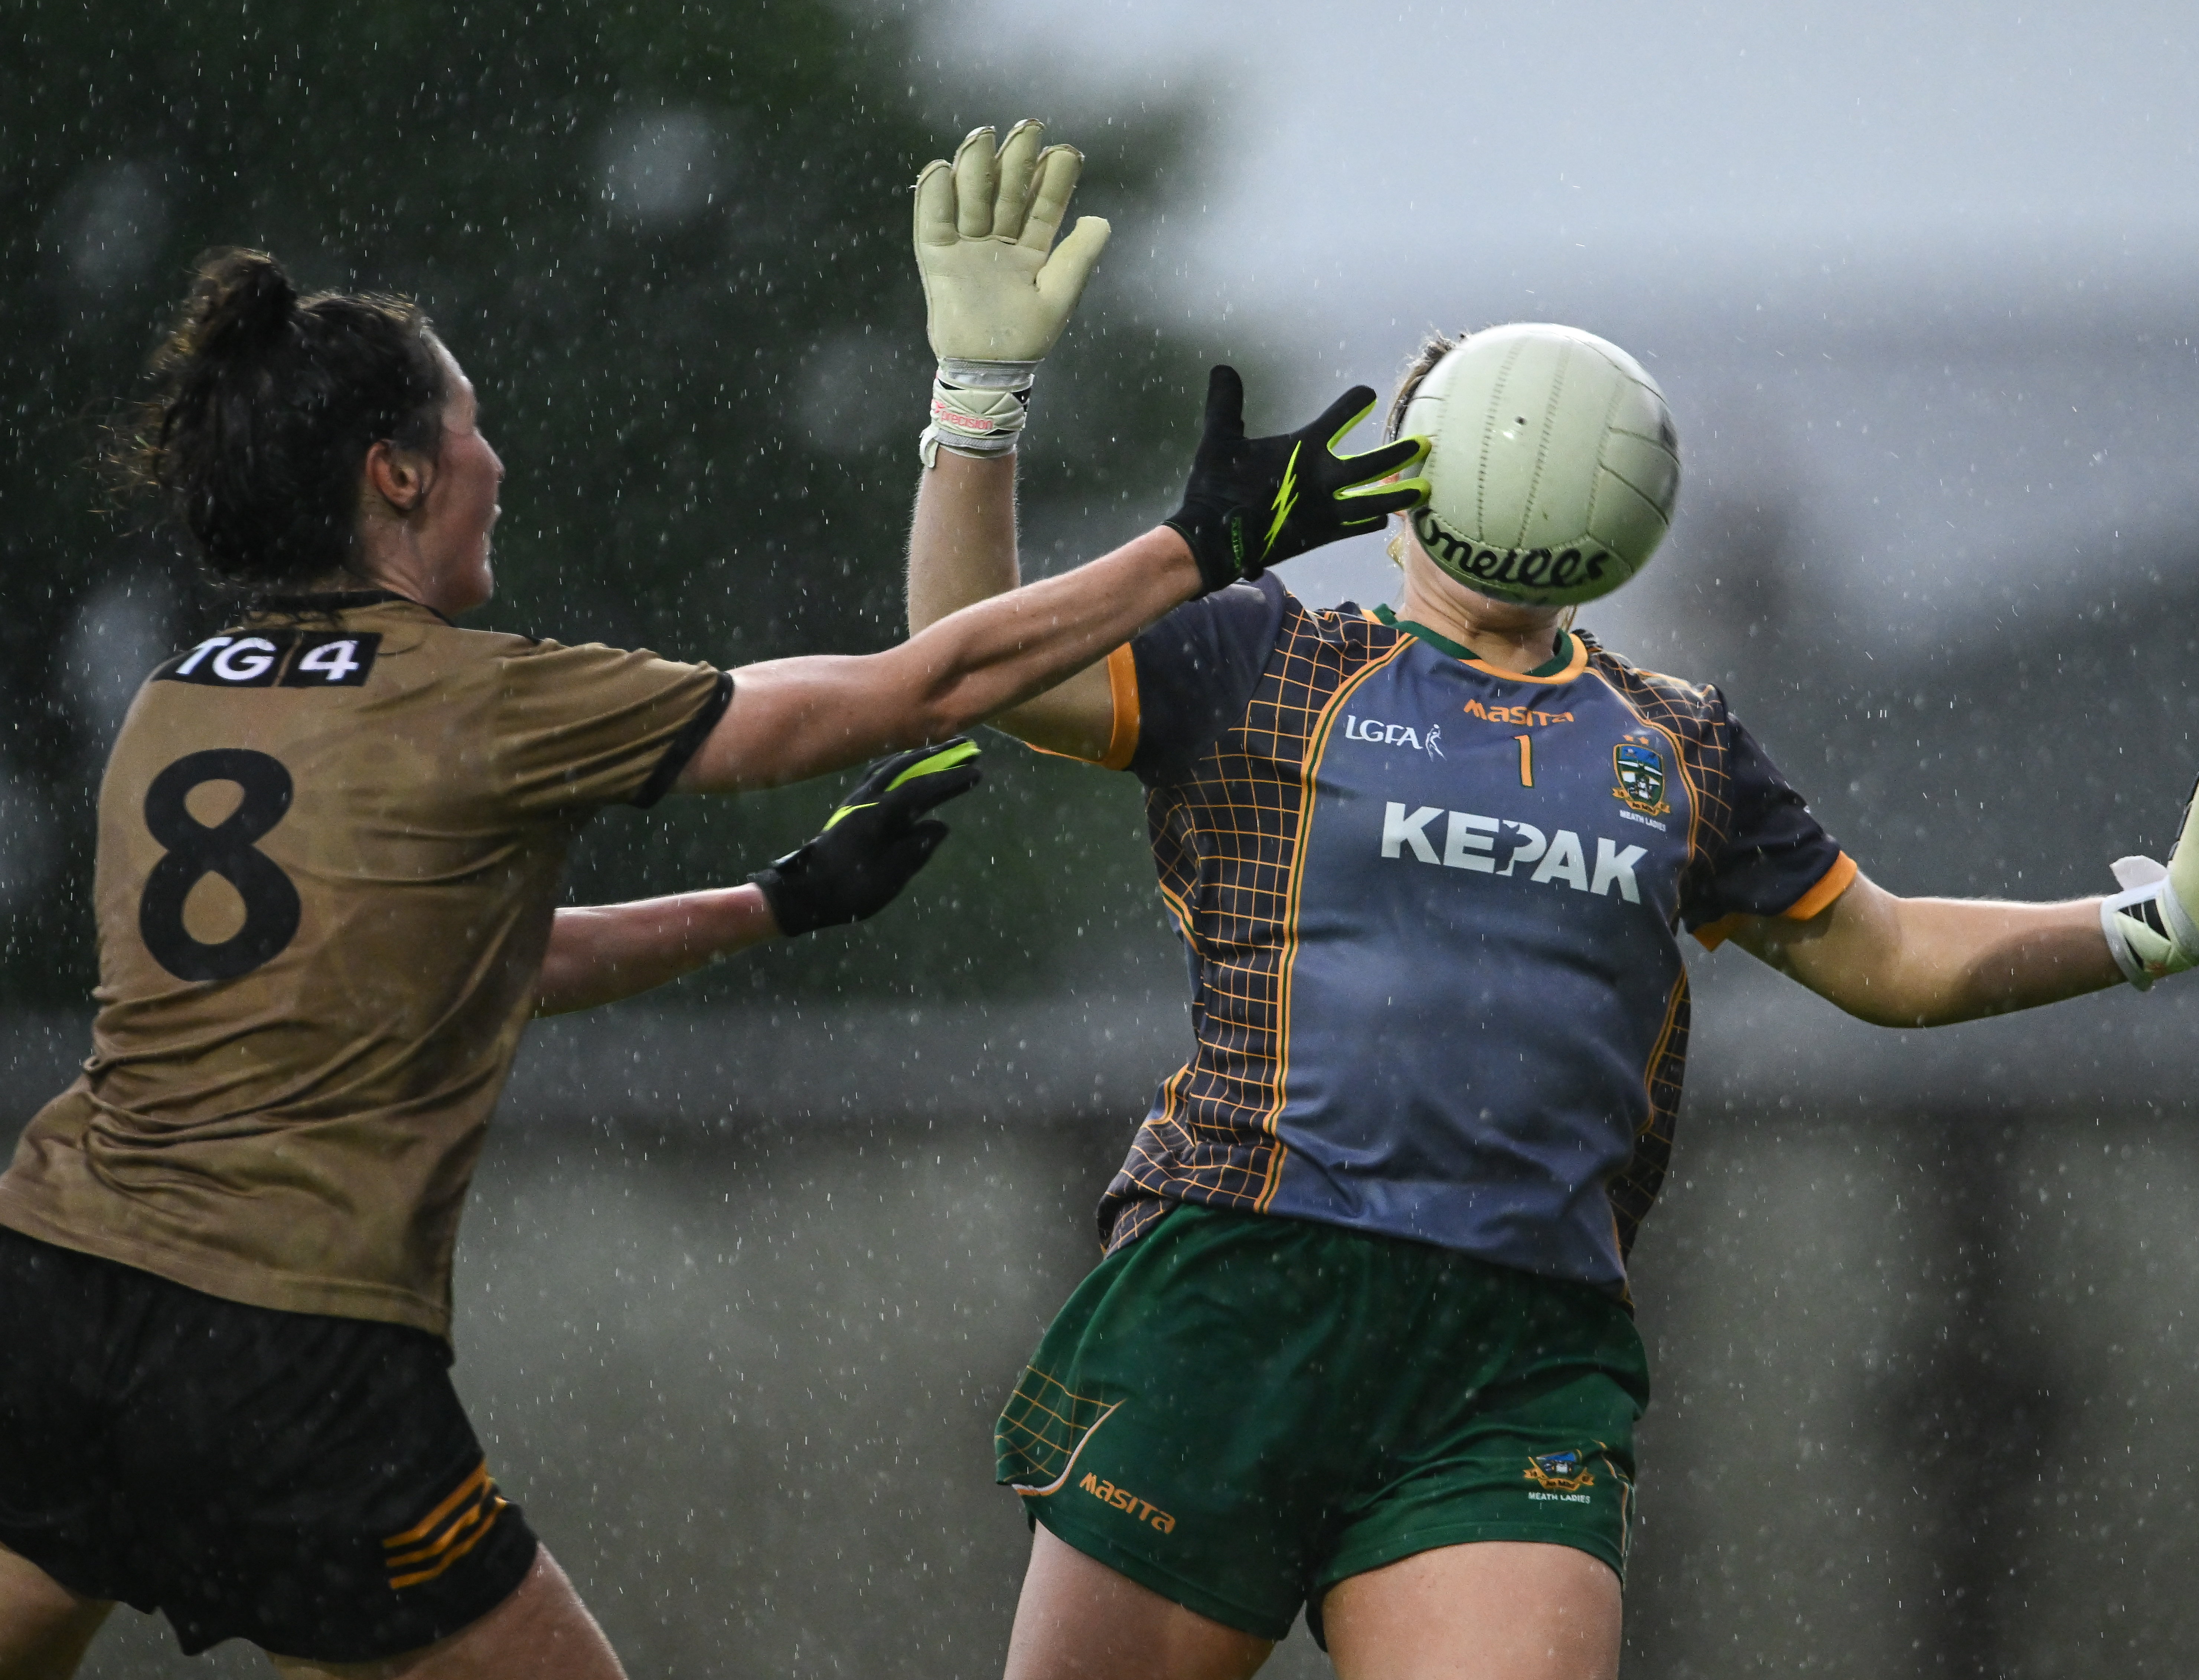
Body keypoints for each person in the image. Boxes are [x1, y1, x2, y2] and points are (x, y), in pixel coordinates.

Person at [0, 120, 1420, 1680]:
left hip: (58, 1298)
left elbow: (467, 965)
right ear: (395, 475)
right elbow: (911, 685)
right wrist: (1195, 545)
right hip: (294, 1350)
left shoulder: (177, 701)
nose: (497, 462)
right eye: (471, 432)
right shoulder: (481, 703)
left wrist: (776, 904)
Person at [907, 324, 2199, 1680]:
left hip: (1514, 1352)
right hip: (1238, 1298)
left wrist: (2159, 920)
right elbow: (959, 664)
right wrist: (977, 399)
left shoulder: (1677, 743)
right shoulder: (1266, 658)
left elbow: (1887, 957)